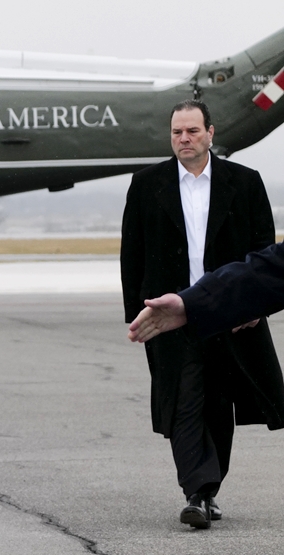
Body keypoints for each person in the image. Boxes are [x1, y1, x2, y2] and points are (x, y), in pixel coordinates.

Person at [122, 100, 284, 528]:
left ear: (211, 133)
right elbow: (131, 255)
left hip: (227, 314)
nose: (184, 139)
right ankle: (196, 491)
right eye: (177, 132)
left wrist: (255, 304)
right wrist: (135, 313)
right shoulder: (146, 184)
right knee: (182, 402)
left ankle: (208, 491)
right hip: (167, 315)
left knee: (219, 402)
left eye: (192, 131)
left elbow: (265, 250)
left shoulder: (244, 182)